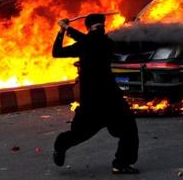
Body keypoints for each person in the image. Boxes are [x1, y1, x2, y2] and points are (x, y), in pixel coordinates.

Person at [52, 13, 139, 174]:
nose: (101, 28)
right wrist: (61, 32)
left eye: (102, 25)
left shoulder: (105, 43)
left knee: (129, 129)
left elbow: (92, 42)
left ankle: (121, 163)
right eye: (97, 26)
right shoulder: (84, 44)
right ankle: (61, 145)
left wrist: (67, 28)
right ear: (89, 28)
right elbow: (57, 53)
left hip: (111, 98)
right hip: (92, 100)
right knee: (79, 134)